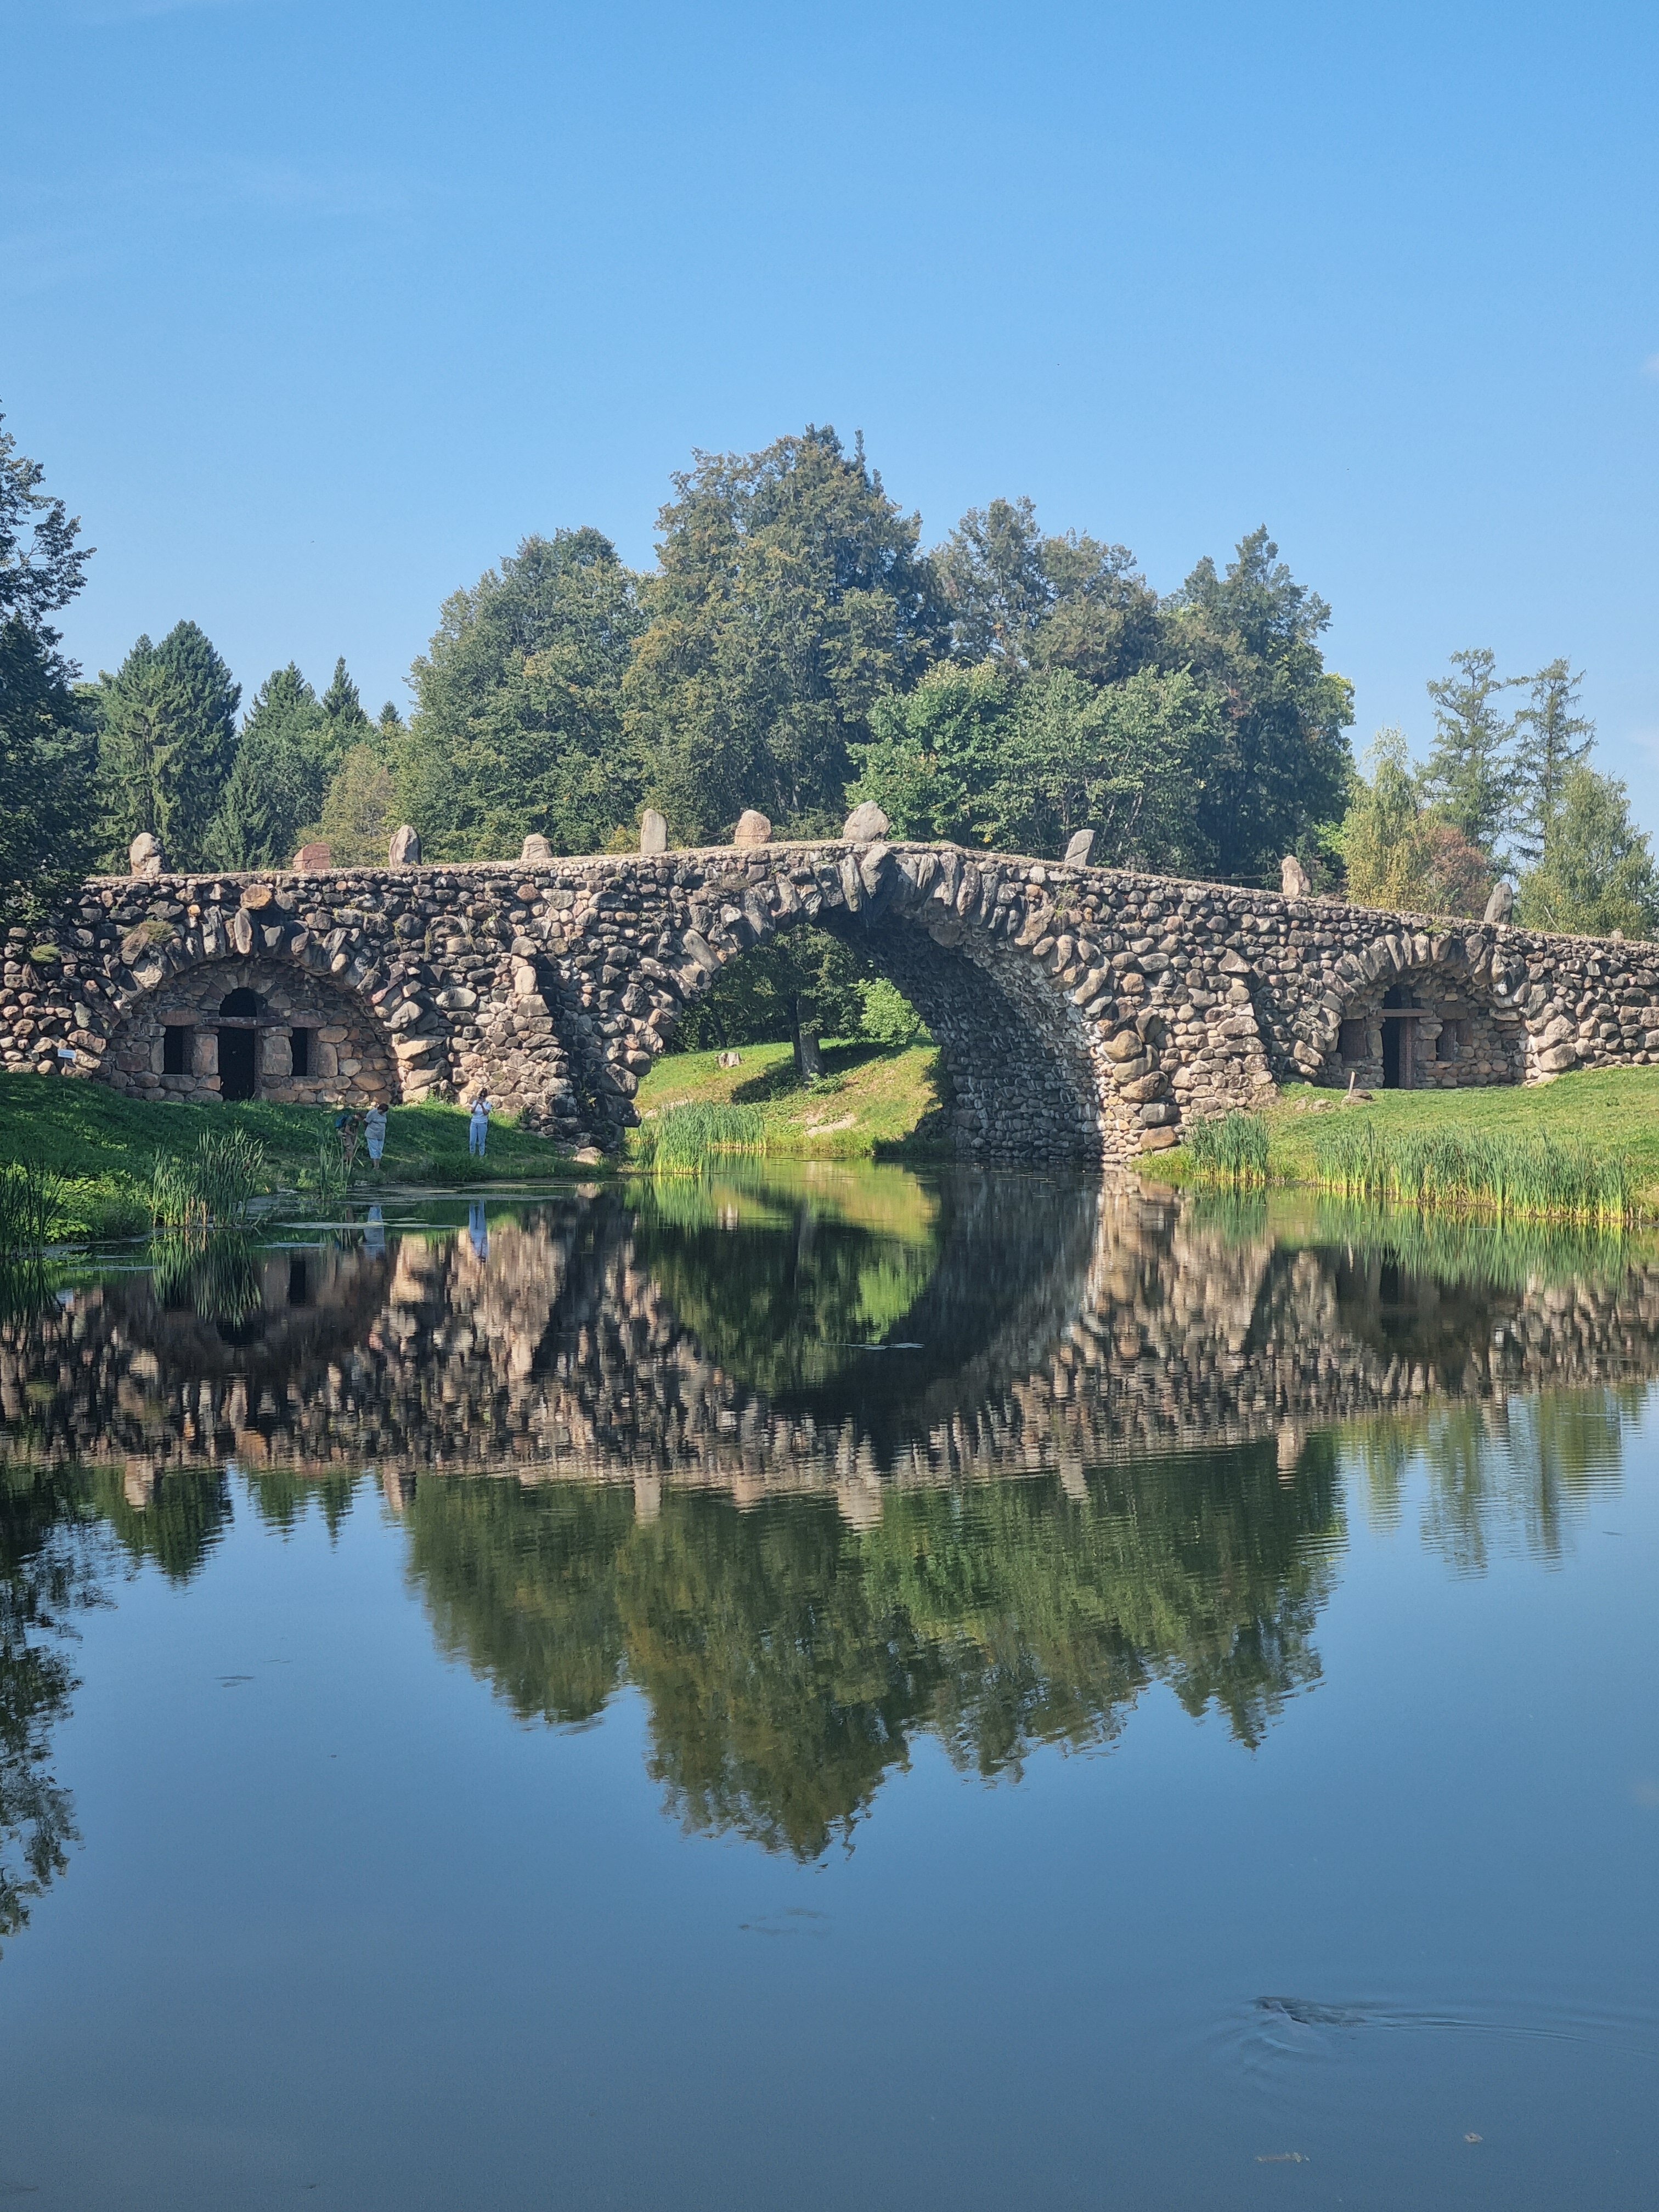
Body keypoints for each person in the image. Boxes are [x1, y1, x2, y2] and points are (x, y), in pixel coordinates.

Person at [364, 1100, 388, 1170]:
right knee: (374, 1149)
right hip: (372, 1134)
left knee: (380, 1149)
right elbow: (366, 1121)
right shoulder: (372, 1113)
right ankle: (375, 1166)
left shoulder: (384, 1114)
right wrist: (367, 1129)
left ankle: (378, 1165)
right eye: (380, 1110)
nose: (381, 1112)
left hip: (381, 1135)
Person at [469, 1090, 492, 1159]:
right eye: (481, 1096)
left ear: (486, 1097)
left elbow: (486, 1113)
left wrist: (482, 1106)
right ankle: (472, 1154)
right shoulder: (475, 1102)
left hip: (482, 1124)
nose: (482, 1097)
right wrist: (476, 1105)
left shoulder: (488, 1104)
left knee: (482, 1140)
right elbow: (472, 1112)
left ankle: (481, 1155)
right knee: (472, 1140)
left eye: (483, 1096)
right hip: (474, 1122)